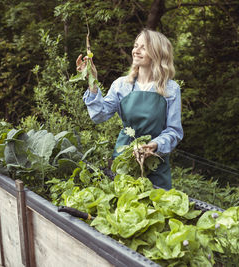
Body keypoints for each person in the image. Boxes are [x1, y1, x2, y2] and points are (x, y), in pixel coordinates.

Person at [76, 28, 183, 190]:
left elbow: (174, 131)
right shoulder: (121, 85)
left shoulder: (171, 89)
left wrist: (155, 145)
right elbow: (98, 115)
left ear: (157, 53)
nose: (135, 51)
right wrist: (92, 82)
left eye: (143, 47)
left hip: (155, 164)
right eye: (135, 46)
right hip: (123, 162)